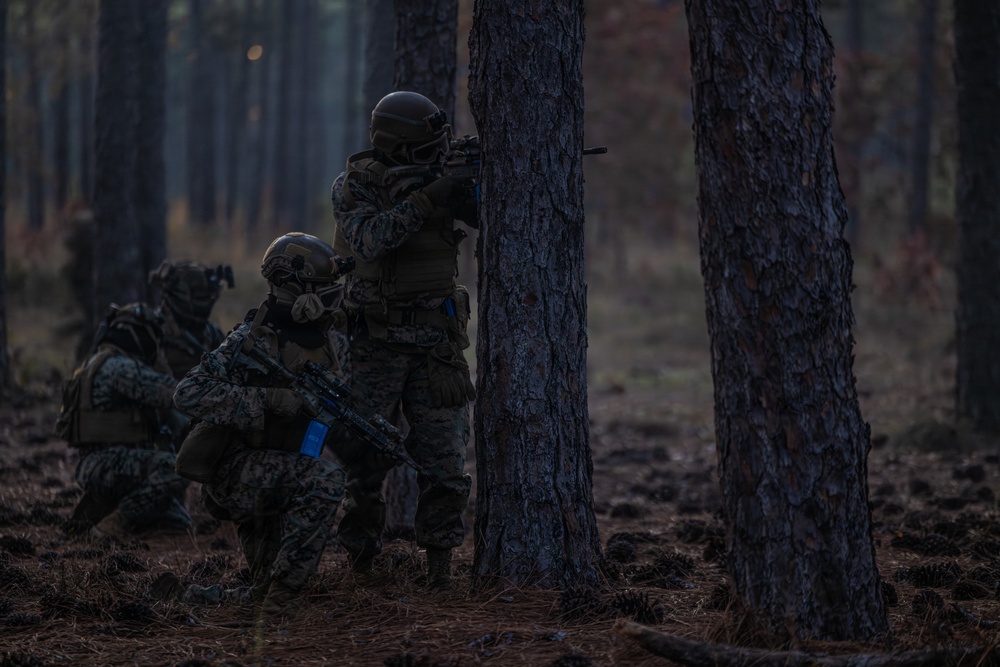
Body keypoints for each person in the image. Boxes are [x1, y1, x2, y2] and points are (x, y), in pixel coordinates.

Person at [329, 90, 477, 591]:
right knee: (365, 464)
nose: (436, 153)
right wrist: (429, 196)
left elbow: (489, 218)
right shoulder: (355, 185)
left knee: (447, 464)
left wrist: (467, 184)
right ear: (399, 146)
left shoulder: (440, 177)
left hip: (436, 345)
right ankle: (360, 565)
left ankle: (439, 571)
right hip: (375, 346)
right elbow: (371, 238)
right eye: (426, 147)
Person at [167, 233, 352, 619]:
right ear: (292, 287)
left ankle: (209, 597)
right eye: (321, 289)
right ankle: (281, 606)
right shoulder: (249, 342)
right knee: (326, 480)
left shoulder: (331, 342)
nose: (331, 296)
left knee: (262, 584)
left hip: (284, 467)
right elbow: (188, 393)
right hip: (236, 474)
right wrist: (266, 401)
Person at [55, 302, 193, 538]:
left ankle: (102, 512)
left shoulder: (95, 362)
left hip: (103, 464)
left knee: (177, 522)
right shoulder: (120, 367)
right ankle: (116, 523)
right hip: (110, 465)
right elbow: (175, 393)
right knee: (181, 467)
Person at [148, 259, 233, 379]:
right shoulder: (150, 330)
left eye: (206, 298)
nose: (203, 305)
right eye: (198, 298)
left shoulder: (210, 333)